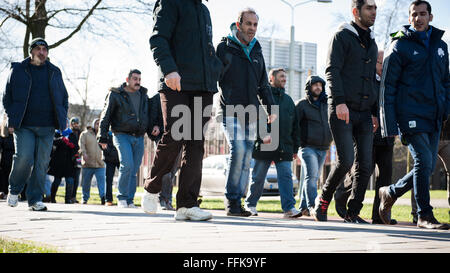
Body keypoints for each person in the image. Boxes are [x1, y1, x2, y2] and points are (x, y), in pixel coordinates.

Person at [141, 0, 223, 221]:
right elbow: (158, 39)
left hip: (203, 86)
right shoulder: (170, 2)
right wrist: (169, 70)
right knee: (176, 134)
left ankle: (187, 204)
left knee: (196, 143)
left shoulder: (204, 10)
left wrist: (215, 70)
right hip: (175, 81)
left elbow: (206, 49)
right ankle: (151, 187)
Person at [378, 0, 450, 230]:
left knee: (427, 166)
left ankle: (390, 192)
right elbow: (387, 87)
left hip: (435, 116)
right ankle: (424, 215)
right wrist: (389, 125)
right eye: (413, 14)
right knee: (423, 161)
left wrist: (446, 108)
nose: (418, 18)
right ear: (409, 18)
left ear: (431, 16)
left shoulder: (441, 46)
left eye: (422, 14)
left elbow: (446, 82)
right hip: (410, 115)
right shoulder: (399, 45)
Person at [312, 0, 379, 223]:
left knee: (366, 165)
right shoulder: (341, 36)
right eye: (369, 7)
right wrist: (339, 102)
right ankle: (322, 201)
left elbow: (371, 81)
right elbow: (332, 71)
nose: (374, 11)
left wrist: (373, 111)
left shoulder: (371, 42)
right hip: (342, 109)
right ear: (355, 11)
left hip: (364, 113)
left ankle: (353, 212)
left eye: (375, 7)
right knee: (346, 161)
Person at [216, 8, 276, 217]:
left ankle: (237, 203)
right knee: (238, 150)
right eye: (248, 23)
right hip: (230, 109)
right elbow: (215, 76)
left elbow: (263, 86)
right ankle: (231, 200)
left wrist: (270, 109)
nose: (252, 28)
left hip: (252, 113)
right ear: (239, 24)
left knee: (246, 155)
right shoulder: (225, 47)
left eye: (255, 24)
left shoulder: (257, 50)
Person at [3, 37, 68, 211]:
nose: (42, 52)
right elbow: (6, 96)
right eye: (38, 49)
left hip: (47, 126)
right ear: (31, 51)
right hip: (24, 124)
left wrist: (62, 119)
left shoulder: (54, 71)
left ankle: (35, 200)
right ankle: (14, 190)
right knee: (24, 158)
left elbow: (63, 97)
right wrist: (11, 118)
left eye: (44, 49)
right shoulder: (18, 70)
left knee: (42, 163)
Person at [333, 50, 398, 225]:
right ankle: (341, 193)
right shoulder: (365, 81)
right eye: (380, 62)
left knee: (385, 176)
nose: (383, 66)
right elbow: (359, 103)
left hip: (387, 136)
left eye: (385, 63)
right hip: (366, 134)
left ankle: (379, 216)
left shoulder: (391, 82)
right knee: (362, 173)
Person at [245, 68, 300, 218]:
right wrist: (262, 135)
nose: (284, 79)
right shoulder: (262, 97)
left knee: (286, 177)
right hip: (265, 143)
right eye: (281, 76)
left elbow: (295, 126)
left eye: (285, 77)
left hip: (284, 146)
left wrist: (295, 148)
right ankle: (250, 205)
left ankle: (289, 208)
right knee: (258, 177)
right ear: (271, 79)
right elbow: (255, 118)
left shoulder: (289, 101)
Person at [98, 69, 149, 208]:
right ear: (128, 79)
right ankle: (121, 197)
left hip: (138, 137)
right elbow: (105, 115)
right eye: (135, 79)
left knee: (134, 170)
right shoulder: (115, 94)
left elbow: (146, 115)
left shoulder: (143, 95)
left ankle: (130, 200)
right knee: (127, 165)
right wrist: (102, 136)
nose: (137, 82)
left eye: (139, 79)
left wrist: (151, 129)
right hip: (121, 134)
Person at [295, 75, 333, 217]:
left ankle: (303, 207)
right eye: (314, 85)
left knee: (312, 176)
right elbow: (295, 126)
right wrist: (297, 145)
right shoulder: (301, 105)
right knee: (312, 177)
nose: (318, 87)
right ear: (309, 87)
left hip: (323, 147)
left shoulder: (327, 104)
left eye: (320, 85)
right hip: (307, 147)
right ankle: (313, 206)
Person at [147, 93, 176, 210]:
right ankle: (164, 199)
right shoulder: (156, 98)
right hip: (163, 136)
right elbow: (152, 117)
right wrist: (156, 126)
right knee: (165, 170)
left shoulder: (183, 95)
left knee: (173, 170)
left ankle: (166, 198)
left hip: (179, 135)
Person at [48, 127, 78, 204]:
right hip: (58, 162)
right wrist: (61, 140)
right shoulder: (56, 133)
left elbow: (76, 146)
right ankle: (52, 198)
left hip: (69, 162)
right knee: (57, 181)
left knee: (70, 180)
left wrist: (71, 145)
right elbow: (52, 142)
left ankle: (68, 199)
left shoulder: (72, 134)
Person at [79, 119, 106, 205]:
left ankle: (103, 197)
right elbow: (81, 144)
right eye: (96, 123)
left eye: (99, 124)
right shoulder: (85, 134)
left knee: (101, 182)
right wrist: (84, 153)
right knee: (86, 183)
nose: (98, 125)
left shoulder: (103, 135)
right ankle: (84, 198)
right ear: (93, 124)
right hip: (87, 163)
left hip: (100, 164)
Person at [102, 131, 120, 206]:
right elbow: (101, 143)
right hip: (109, 160)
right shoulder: (106, 132)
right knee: (108, 180)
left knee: (124, 178)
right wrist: (109, 152)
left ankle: (124, 198)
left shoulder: (120, 130)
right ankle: (108, 200)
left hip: (120, 159)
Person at [68, 117, 82, 203]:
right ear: (71, 124)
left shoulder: (81, 133)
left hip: (78, 158)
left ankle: (73, 197)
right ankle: (68, 197)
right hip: (69, 159)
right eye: (74, 123)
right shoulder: (68, 133)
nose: (75, 125)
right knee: (70, 179)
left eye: (77, 123)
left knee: (77, 179)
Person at [0, 121, 14, 200]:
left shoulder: (16, 137)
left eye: (12, 127)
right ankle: (3, 191)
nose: (11, 129)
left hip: (14, 157)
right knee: (4, 175)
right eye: (10, 127)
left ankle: (11, 192)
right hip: (5, 157)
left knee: (11, 176)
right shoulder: (3, 137)